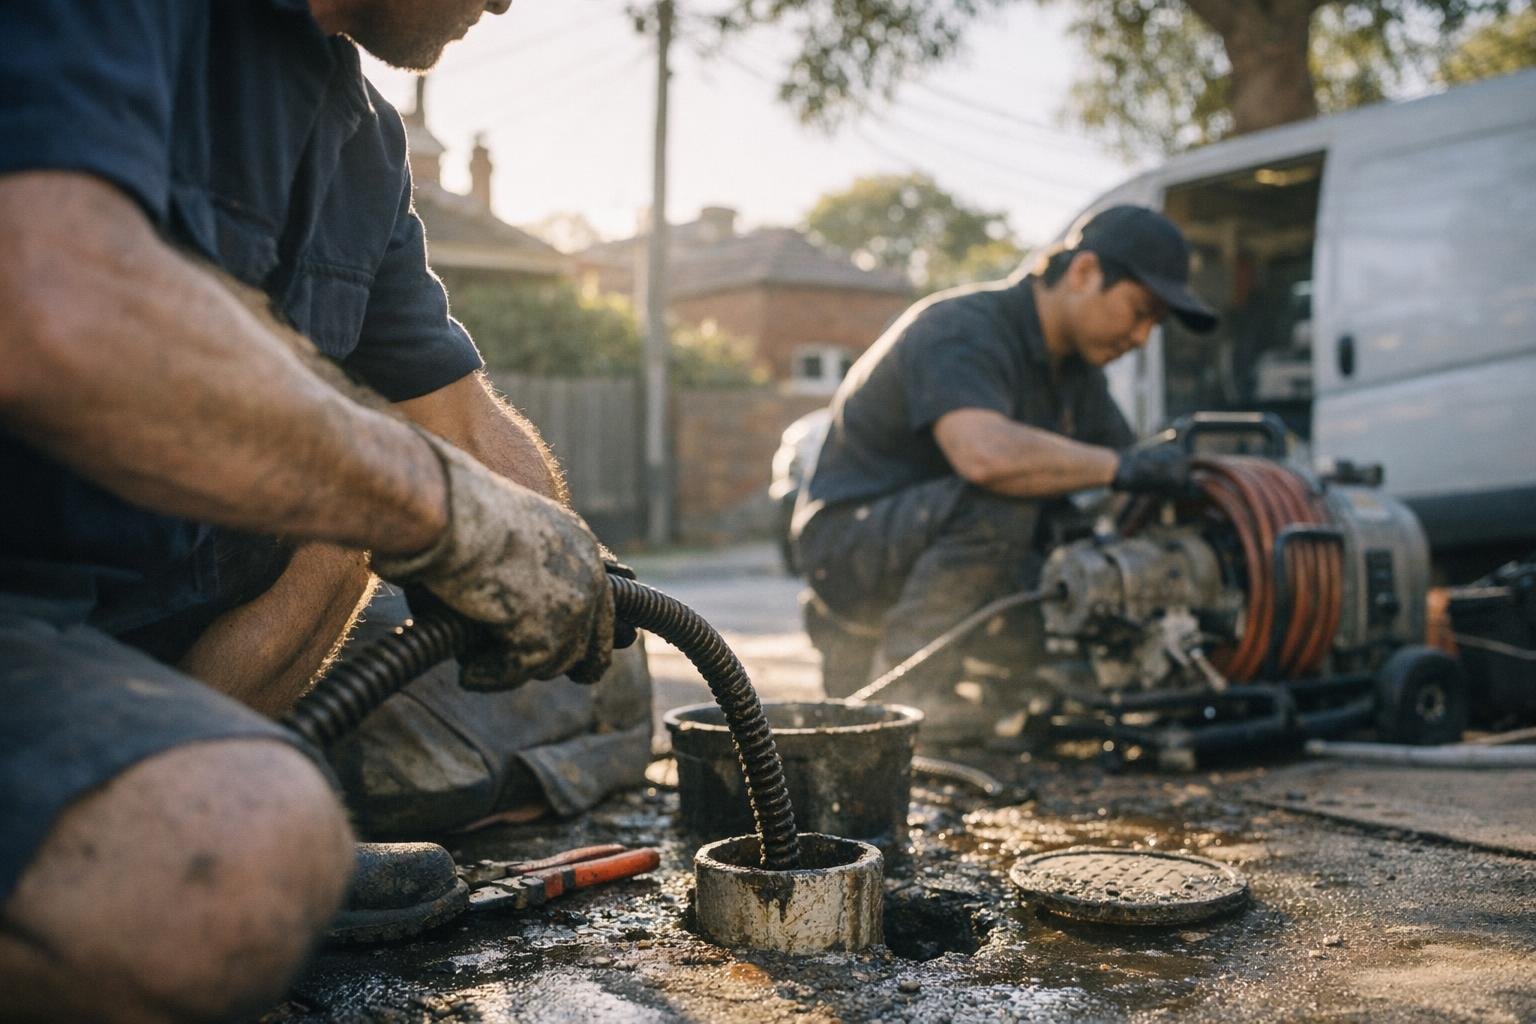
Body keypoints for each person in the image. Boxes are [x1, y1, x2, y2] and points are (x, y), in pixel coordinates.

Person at [0, 2, 627, 1020]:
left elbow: (458, 426)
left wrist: (571, 565)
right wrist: (439, 507)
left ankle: (194, 781)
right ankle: (213, 840)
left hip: (137, 627)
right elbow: (51, 302)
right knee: (244, 855)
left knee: (363, 521)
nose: (513, 1)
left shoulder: (364, 141)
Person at [792, 205, 1218, 732]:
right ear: (1084, 273)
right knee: (1003, 497)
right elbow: (985, 456)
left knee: (1069, 540)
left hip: (929, 545)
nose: (1141, 338)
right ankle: (910, 687)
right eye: (1140, 311)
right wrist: (1123, 467)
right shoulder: (961, 328)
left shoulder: (1077, 376)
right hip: (848, 549)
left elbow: (1131, 483)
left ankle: (1007, 681)